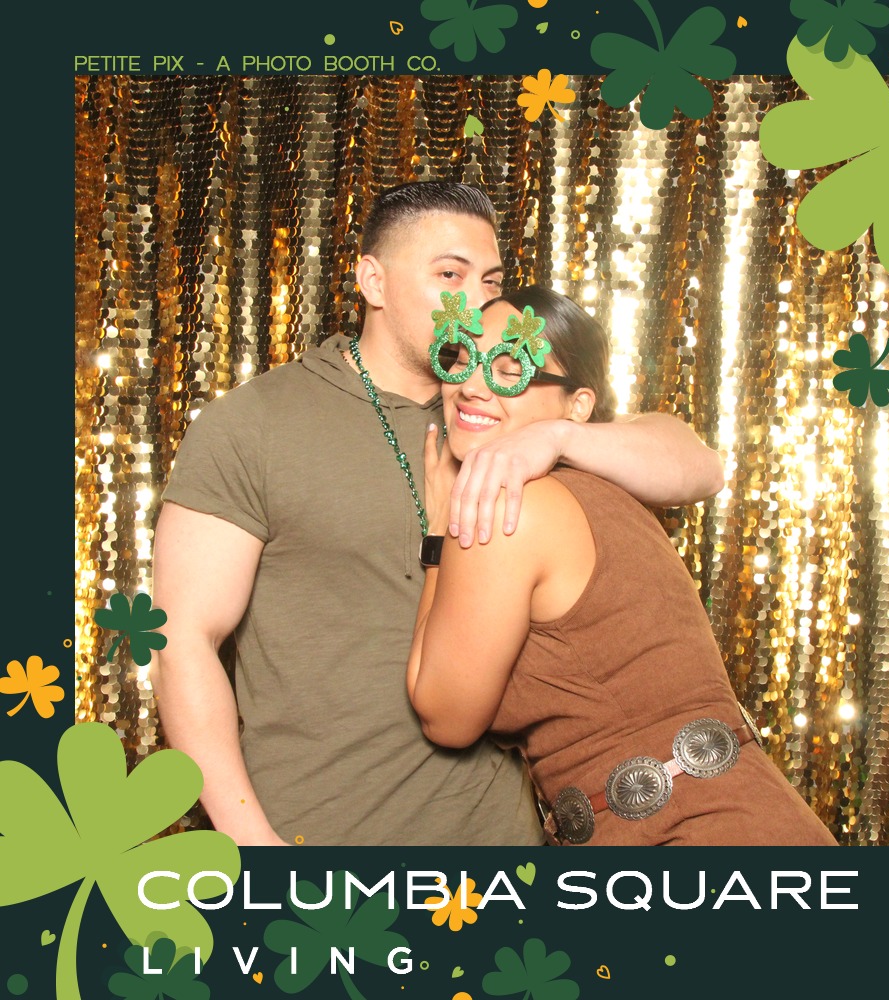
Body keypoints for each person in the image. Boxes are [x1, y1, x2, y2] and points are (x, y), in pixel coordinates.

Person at [151, 181, 724, 847]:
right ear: (373, 280)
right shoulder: (256, 425)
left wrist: (556, 437)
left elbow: (699, 466)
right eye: (450, 275)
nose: (475, 303)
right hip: (322, 843)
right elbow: (182, 641)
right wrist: (253, 847)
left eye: (491, 281)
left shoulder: (508, 408)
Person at [408, 286, 837, 845]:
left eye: (512, 370)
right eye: (461, 359)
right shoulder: (611, 480)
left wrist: (440, 531)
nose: (472, 384)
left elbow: (445, 716)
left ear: (578, 405)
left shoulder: (509, 507)